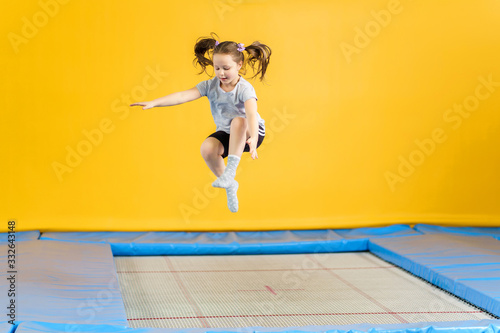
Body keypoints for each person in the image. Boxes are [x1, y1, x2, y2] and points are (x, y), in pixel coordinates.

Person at [130, 32, 272, 213]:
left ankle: (230, 171)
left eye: (226, 68)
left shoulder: (244, 88)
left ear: (239, 65)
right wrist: (155, 102)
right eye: (217, 67)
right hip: (228, 133)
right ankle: (230, 185)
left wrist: (252, 141)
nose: (221, 73)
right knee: (207, 148)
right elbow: (183, 95)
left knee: (238, 121)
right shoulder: (210, 86)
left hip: (251, 132)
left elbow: (251, 114)